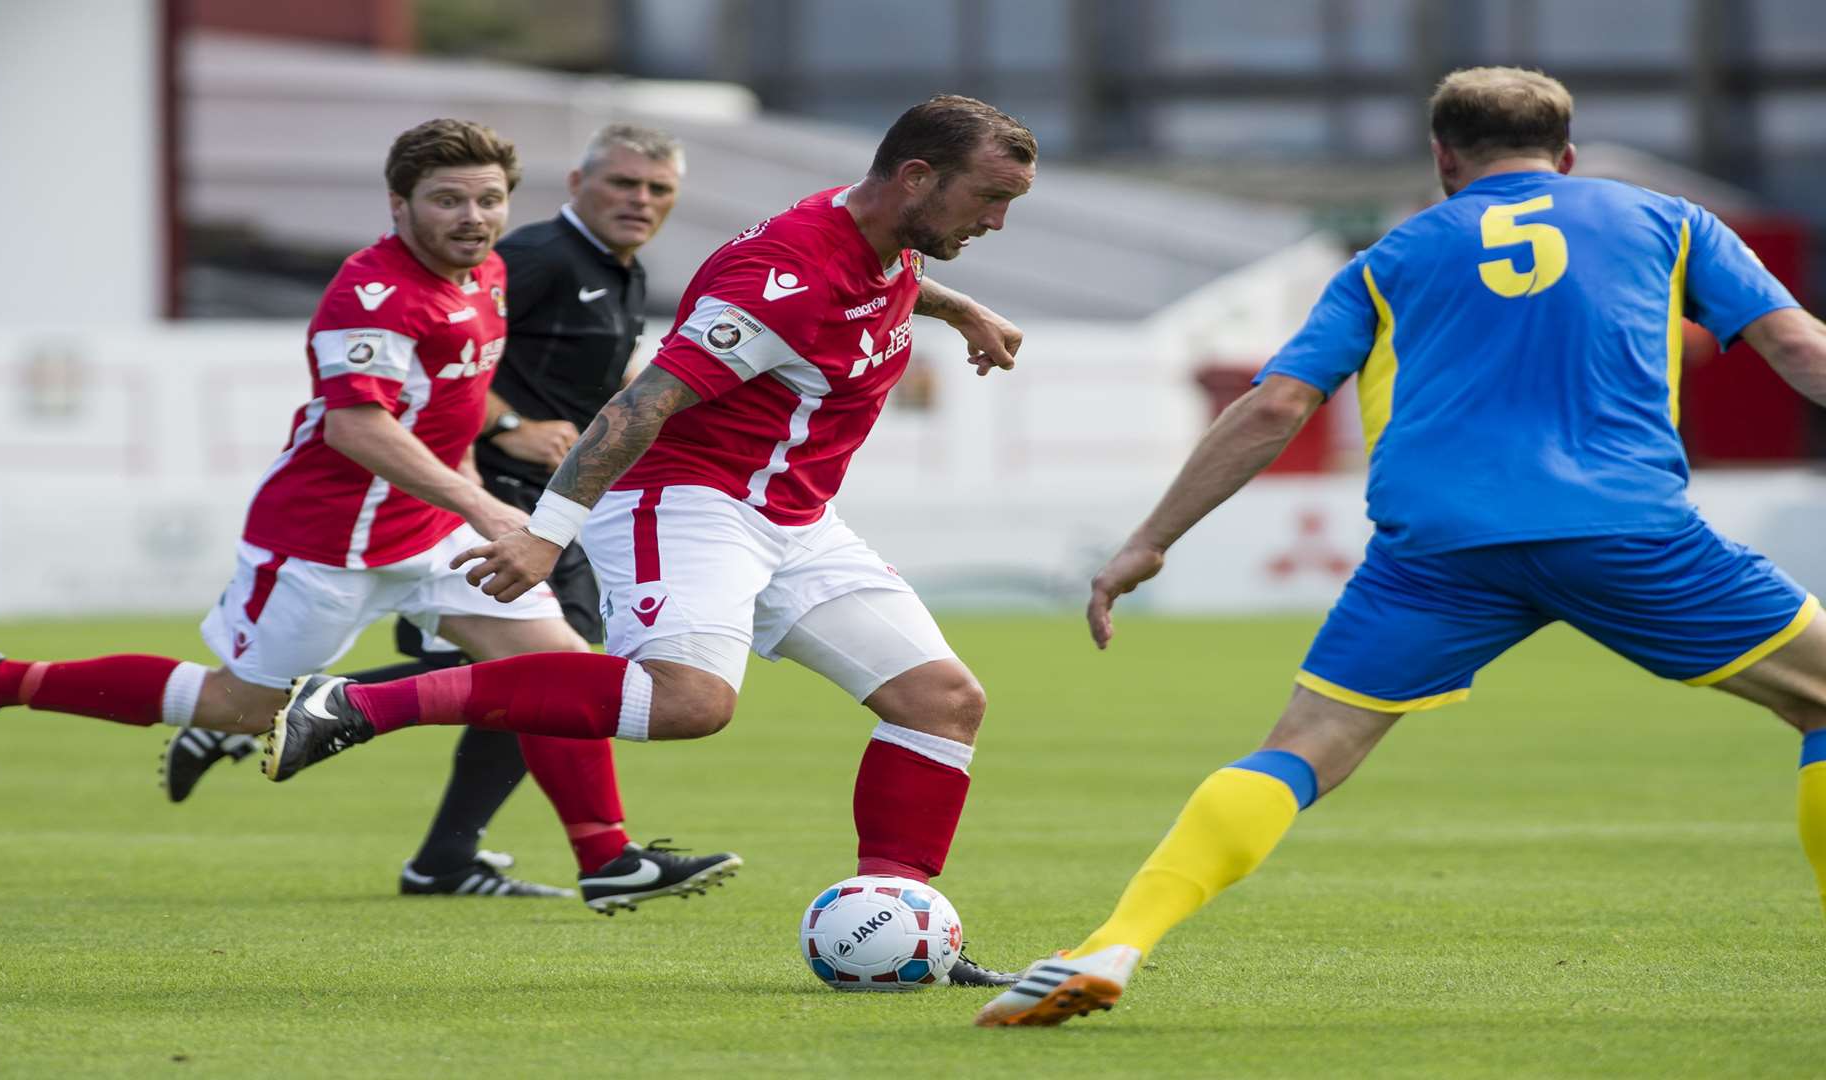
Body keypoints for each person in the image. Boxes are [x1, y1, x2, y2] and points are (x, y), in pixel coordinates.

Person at [976, 65, 1826, 1027]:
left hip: (1440, 551)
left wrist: (1148, 542)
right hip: (1623, 528)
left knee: (1300, 750)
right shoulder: (1669, 222)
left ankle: (1111, 945)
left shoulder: (1390, 257)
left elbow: (1277, 407)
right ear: (1569, 152)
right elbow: (1798, 351)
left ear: (1443, 159)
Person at [262, 94, 1040, 986]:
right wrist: (547, 535)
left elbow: (886, 272)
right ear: (917, 177)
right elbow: (640, 406)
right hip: (687, 503)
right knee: (690, 704)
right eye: (988, 197)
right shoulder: (781, 272)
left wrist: (956, 308)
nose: (997, 220)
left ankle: (897, 930)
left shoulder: (879, 233)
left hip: (793, 514)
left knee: (943, 701)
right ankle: (359, 705)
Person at [0, 118, 738, 911]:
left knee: (558, 668)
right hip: (323, 540)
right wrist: (488, 504)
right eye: (449, 199)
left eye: (488, 200)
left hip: (431, 530)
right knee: (240, 707)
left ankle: (607, 859)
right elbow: (357, 425)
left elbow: (453, 399)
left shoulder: (486, 274)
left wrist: (488, 459)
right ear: (399, 205)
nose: (473, 218)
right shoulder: (372, 292)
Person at [159, 123, 730, 910]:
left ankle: (575, 857)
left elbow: (470, 380)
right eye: (623, 184)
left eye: (657, 189)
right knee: (529, 683)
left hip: (468, 514)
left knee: (550, 671)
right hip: (421, 514)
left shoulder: (569, 269)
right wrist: (504, 442)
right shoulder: (529, 260)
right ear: (576, 183)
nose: (640, 201)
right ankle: (25, 686)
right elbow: (368, 418)